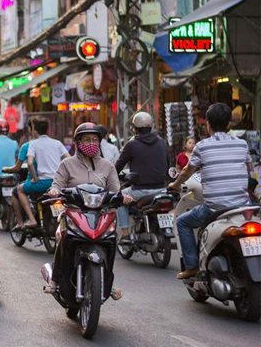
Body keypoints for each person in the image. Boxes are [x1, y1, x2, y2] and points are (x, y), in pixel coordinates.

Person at [169, 103, 252, 279]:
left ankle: (191, 267)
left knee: (182, 222)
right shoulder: (242, 144)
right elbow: (249, 170)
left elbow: (186, 172)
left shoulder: (202, 146)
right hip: (243, 207)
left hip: (215, 209)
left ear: (208, 124)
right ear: (229, 124)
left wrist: (175, 185)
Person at [46, 123, 122, 300]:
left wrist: (122, 197)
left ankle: (107, 282)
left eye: (95, 140)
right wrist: (55, 190)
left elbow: (116, 190)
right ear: (78, 143)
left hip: (101, 214)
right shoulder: (67, 165)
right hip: (74, 212)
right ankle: (55, 280)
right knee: (62, 239)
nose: (91, 143)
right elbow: (57, 184)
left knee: (111, 241)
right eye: (87, 139)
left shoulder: (108, 166)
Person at [115, 112, 168, 240]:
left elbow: (117, 167)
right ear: (151, 126)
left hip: (140, 190)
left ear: (134, 128)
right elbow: (167, 163)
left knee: (120, 199)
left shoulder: (131, 145)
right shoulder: (162, 142)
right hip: (162, 189)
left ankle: (126, 234)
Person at [15, 118, 69, 229]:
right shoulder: (57, 143)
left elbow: (30, 163)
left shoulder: (33, 144)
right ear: (47, 129)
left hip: (42, 182)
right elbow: (68, 159)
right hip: (58, 183)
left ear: (35, 130)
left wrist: (35, 178)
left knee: (19, 190)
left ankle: (32, 219)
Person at [2, 119, 36, 229]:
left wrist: (35, 178)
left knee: (17, 191)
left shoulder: (28, 146)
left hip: (37, 182)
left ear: (31, 130)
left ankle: (23, 222)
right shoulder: (55, 143)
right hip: (53, 182)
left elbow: (24, 165)